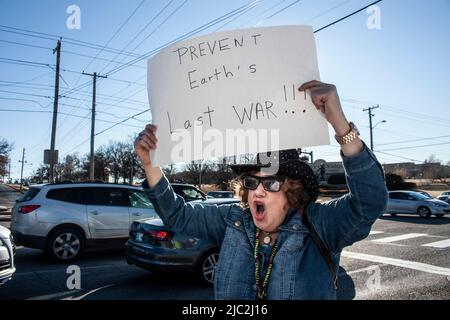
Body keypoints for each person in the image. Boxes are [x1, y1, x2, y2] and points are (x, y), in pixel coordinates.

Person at [134, 80, 388, 300]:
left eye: (271, 183)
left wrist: (340, 125)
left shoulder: (321, 225)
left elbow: (370, 202)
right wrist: (149, 164)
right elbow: (179, 215)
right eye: (252, 182)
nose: (258, 191)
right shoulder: (234, 220)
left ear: (293, 192)